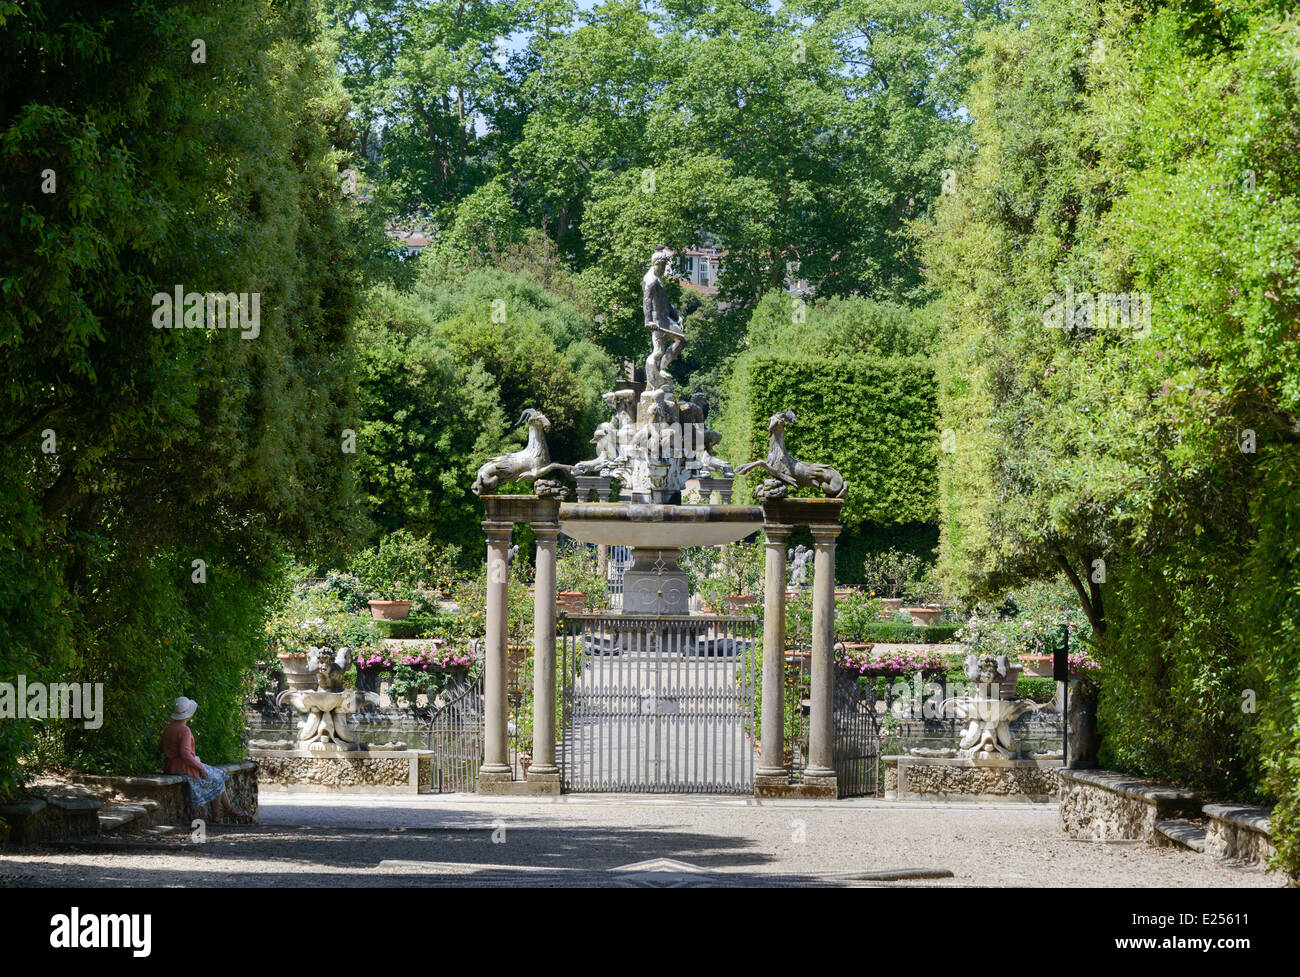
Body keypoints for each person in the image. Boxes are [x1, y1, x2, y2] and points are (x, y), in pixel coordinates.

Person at [160, 697, 246, 822]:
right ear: (188, 714)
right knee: (216, 779)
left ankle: (228, 808)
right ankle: (219, 815)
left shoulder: (168, 727)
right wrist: (200, 768)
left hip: (170, 766)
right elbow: (185, 754)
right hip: (184, 768)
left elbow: (161, 747)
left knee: (218, 774)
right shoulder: (185, 730)